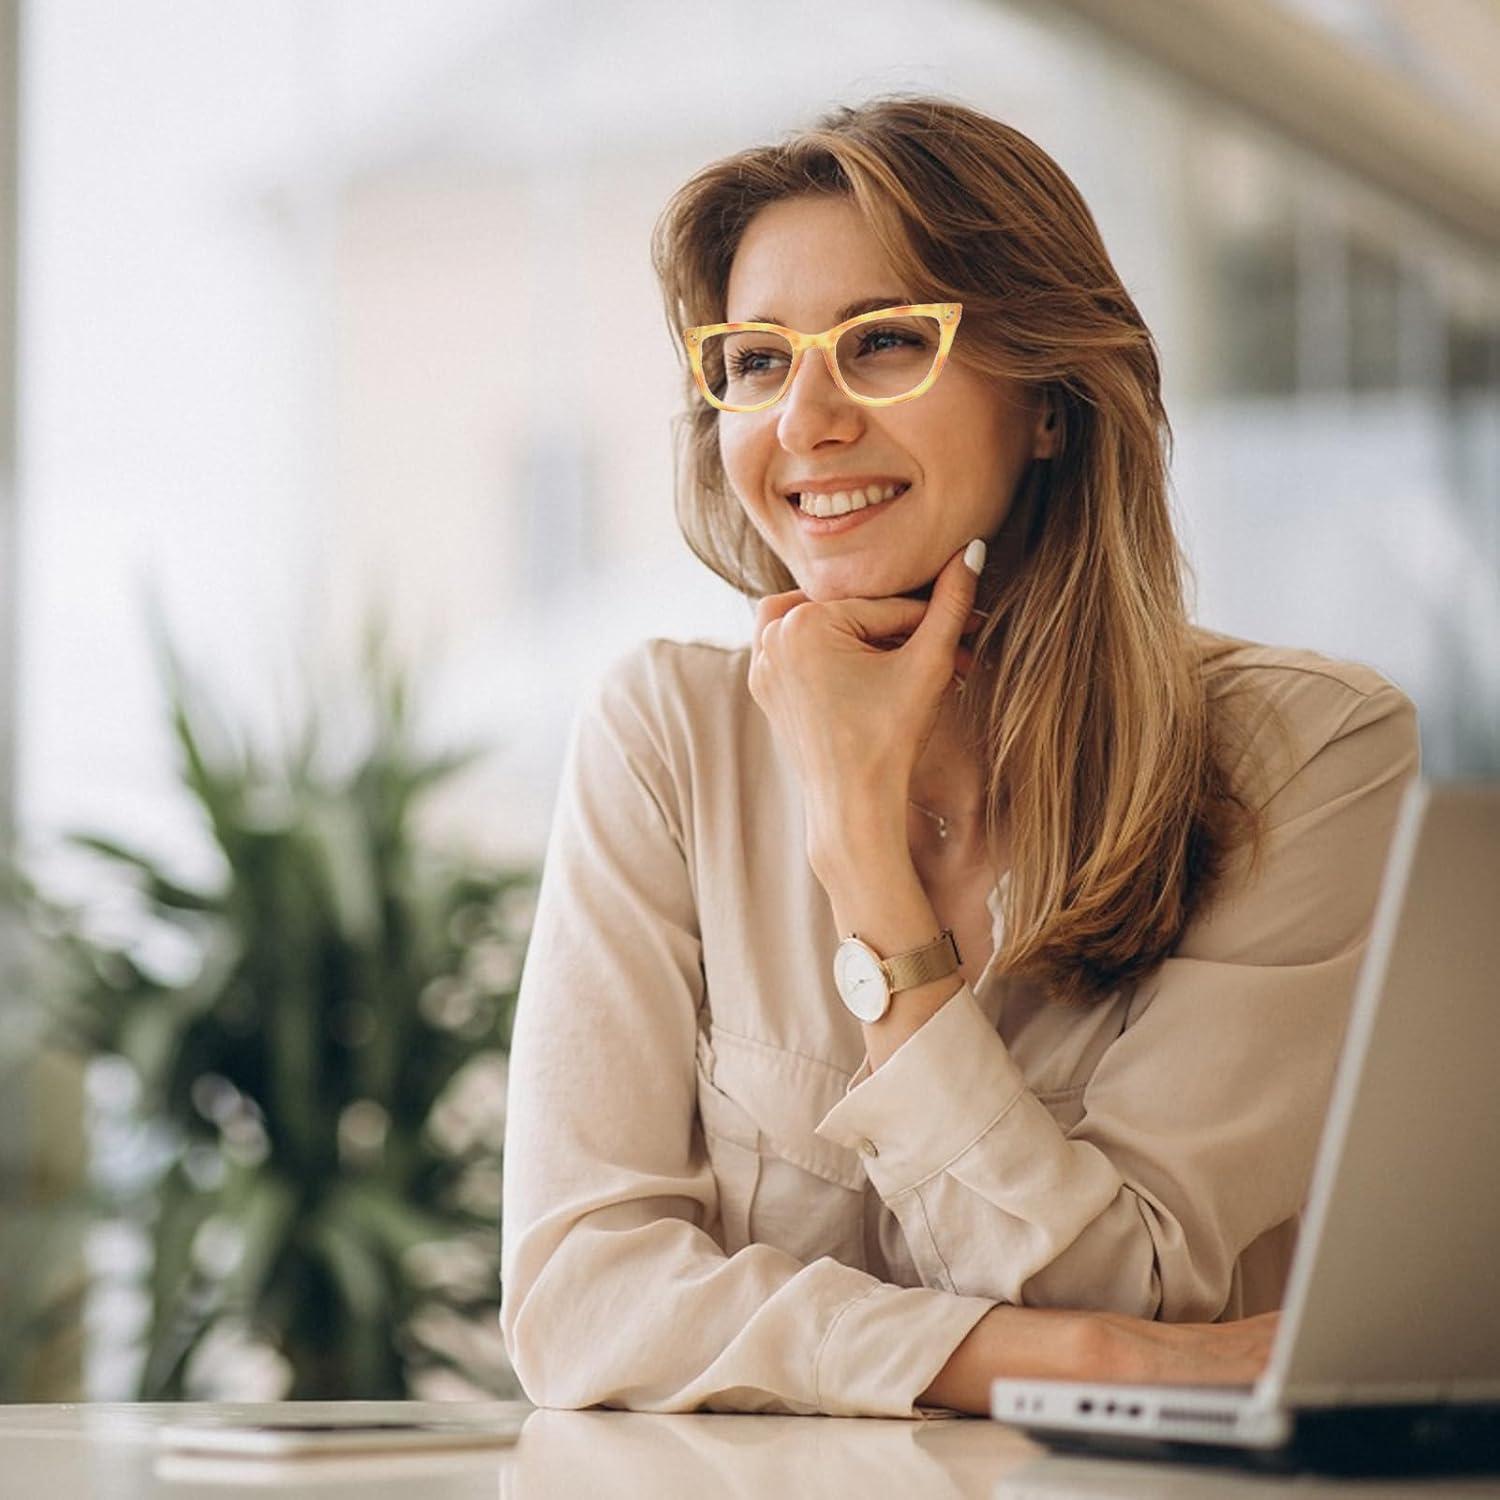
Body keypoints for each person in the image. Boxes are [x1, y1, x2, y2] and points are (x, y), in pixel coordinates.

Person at [498, 95, 1420, 1417]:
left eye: (881, 344)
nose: (804, 422)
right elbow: (580, 1303)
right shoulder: (665, 738)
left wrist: (866, 866)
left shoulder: (1310, 754)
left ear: (1047, 401)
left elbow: (1139, 1296)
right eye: (756, 361)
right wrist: (1072, 1363)